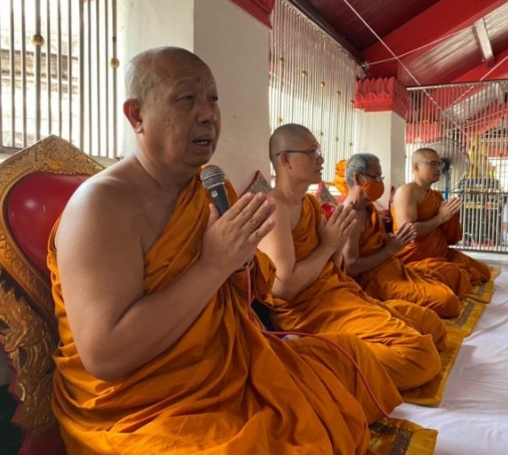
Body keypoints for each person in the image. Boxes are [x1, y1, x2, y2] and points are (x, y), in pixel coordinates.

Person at [48, 47, 405, 454]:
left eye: (213, 100)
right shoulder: (101, 206)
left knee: (351, 364)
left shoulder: (210, 191)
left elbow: (251, 293)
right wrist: (214, 263)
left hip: (228, 366)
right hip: (147, 405)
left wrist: (239, 265)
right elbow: (106, 355)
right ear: (136, 115)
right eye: (187, 99)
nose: (208, 115)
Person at [258, 123, 445, 392]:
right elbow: (283, 289)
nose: (321, 158)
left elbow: (334, 269)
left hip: (340, 295)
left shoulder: (310, 204)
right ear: (285, 159)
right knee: (419, 357)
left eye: (318, 151)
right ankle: (307, 354)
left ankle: (343, 350)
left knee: (432, 327)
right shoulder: (274, 208)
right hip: (309, 313)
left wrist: (333, 248)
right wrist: (329, 245)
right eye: (312, 152)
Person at [342, 153, 461, 319]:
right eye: (376, 177)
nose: (380, 182)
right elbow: (351, 267)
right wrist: (390, 249)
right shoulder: (350, 214)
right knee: (447, 301)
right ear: (358, 178)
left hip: (391, 268)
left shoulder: (368, 208)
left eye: (380, 177)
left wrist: (387, 242)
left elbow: (373, 244)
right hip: (373, 279)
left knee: (449, 282)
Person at [391, 147, 492, 297]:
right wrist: (441, 218)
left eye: (439, 164)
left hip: (440, 253)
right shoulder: (407, 192)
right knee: (455, 276)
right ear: (416, 167)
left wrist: (451, 216)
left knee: (483, 272)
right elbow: (409, 232)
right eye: (433, 164)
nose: (439, 168)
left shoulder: (435, 195)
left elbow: (448, 234)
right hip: (415, 258)